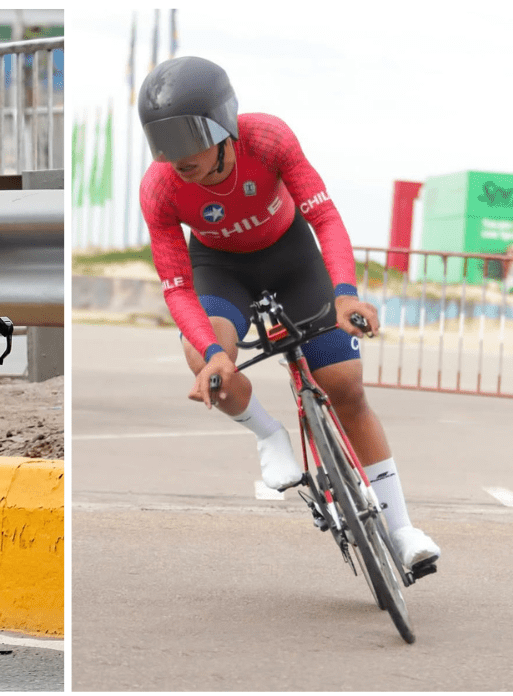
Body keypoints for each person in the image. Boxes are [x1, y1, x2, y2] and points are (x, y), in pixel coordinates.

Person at [137, 56, 439, 572]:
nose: (175, 154)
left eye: (188, 135)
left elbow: (323, 215)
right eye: (161, 139)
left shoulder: (268, 139)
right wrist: (212, 354)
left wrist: (344, 293)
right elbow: (177, 286)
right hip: (220, 270)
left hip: (292, 257)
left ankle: (402, 529)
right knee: (205, 360)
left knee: (345, 386)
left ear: (224, 125)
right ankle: (269, 433)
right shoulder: (160, 188)